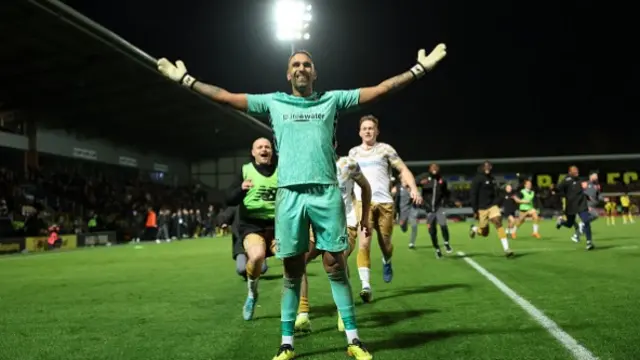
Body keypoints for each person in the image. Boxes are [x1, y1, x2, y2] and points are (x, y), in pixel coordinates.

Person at [157, 42, 447, 360]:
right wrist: (186, 81)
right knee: (293, 270)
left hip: (325, 192)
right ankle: (286, 343)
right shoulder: (273, 102)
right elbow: (226, 98)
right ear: (287, 73)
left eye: (306, 65)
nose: (301, 68)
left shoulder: (331, 100)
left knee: (336, 266)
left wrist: (419, 70)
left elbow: (378, 91)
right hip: (290, 195)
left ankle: (353, 339)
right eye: (295, 64)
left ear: (314, 73)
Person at [350, 115, 423, 304]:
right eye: (364, 128)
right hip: (363, 203)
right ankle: (366, 286)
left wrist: (413, 188)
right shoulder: (354, 153)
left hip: (385, 204)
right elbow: (347, 177)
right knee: (364, 243)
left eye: (371, 128)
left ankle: (387, 260)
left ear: (376, 131)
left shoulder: (385, 149)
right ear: (359, 132)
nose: (367, 131)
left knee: (386, 245)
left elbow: (403, 170)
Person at [295, 155, 372, 333]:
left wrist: (365, 218)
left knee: (338, 261)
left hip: (345, 224)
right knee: (298, 260)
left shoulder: (349, 165)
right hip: (317, 226)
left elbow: (366, 187)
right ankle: (303, 314)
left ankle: (343, 313)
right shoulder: (309, 165)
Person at [225, 138, 277, 320]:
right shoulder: (245, 170)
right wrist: (241, 188)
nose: (264, 149)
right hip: (252, 225)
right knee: (256, 257)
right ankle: (252, 294)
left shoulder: (282, 170)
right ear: (253, 152)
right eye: (260, 147)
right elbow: (228, 199)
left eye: (267, 147)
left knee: (292, 261)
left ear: (272, 151)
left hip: (278, 225)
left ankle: (300, 309)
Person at [469, 161, 514, 257]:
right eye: (485, 166)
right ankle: (474, 229)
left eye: (489, 166)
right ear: (482, 167)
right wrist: (475, 210)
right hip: (481, 208)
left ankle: (507, 249)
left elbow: (495, 193)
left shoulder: (492, 179)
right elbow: (473, 194)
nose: (487, 168)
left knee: (498, 222)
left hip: (492, 206)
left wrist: (497, 202)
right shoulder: (477, 179)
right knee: (484, 233)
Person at [217, 205, 269, 281]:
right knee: (241, 269)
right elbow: (224, 215)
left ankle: (251, 265)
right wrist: (223, 223)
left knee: (263, 269)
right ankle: (248, 270)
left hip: (255, 240)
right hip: (240, 242)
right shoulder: (235, 206)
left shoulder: (255, 205)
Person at [555, 166, 595, 250]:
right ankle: (561, 222)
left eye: (577, 170)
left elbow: (581, 190)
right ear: (570, 172)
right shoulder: (566, 180)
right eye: (575, 170)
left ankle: (589, 242)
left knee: (586, 221)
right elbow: (558, 189)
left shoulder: (579, 180)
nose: (577, 172)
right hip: (571, 205)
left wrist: (587, 197)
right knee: (569, 224)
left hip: (581, 204)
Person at [419, 163, 452, 258]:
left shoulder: (442, 180)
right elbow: (414, 183)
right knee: (432, 231)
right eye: (433, 167)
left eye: (436, 167)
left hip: (439, 208)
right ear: (429, 169)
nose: (435, 169)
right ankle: (437, 249)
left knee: (443, 225)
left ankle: (446, 243)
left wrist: (448, 201)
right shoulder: (424, 178)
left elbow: (446, 193)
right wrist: (420, 183)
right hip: (429, 210)